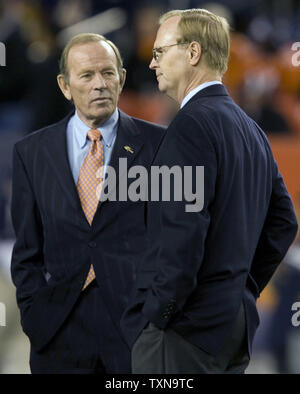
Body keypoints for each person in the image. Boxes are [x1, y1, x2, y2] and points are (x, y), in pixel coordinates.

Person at [120, 9, 298, 374]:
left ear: (192, 53)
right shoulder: (252, 130)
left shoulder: (188, 126)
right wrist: (239, 289)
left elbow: (181, 234)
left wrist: (160, 312)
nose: (152, 64)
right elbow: (284, 222)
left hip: (185, 329)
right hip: (232, 324)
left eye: (159, 53)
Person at [10, 33, 165, 374]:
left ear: (122, 78)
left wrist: (159, 318)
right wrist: (35, 315)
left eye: (108, 73)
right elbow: (26, 253)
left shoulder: (160, 145)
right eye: (87, 76)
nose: (100, 84)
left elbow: (173, 241)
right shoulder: (31, 153)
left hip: (136, 334)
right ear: (65, 86)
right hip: (57, 332)